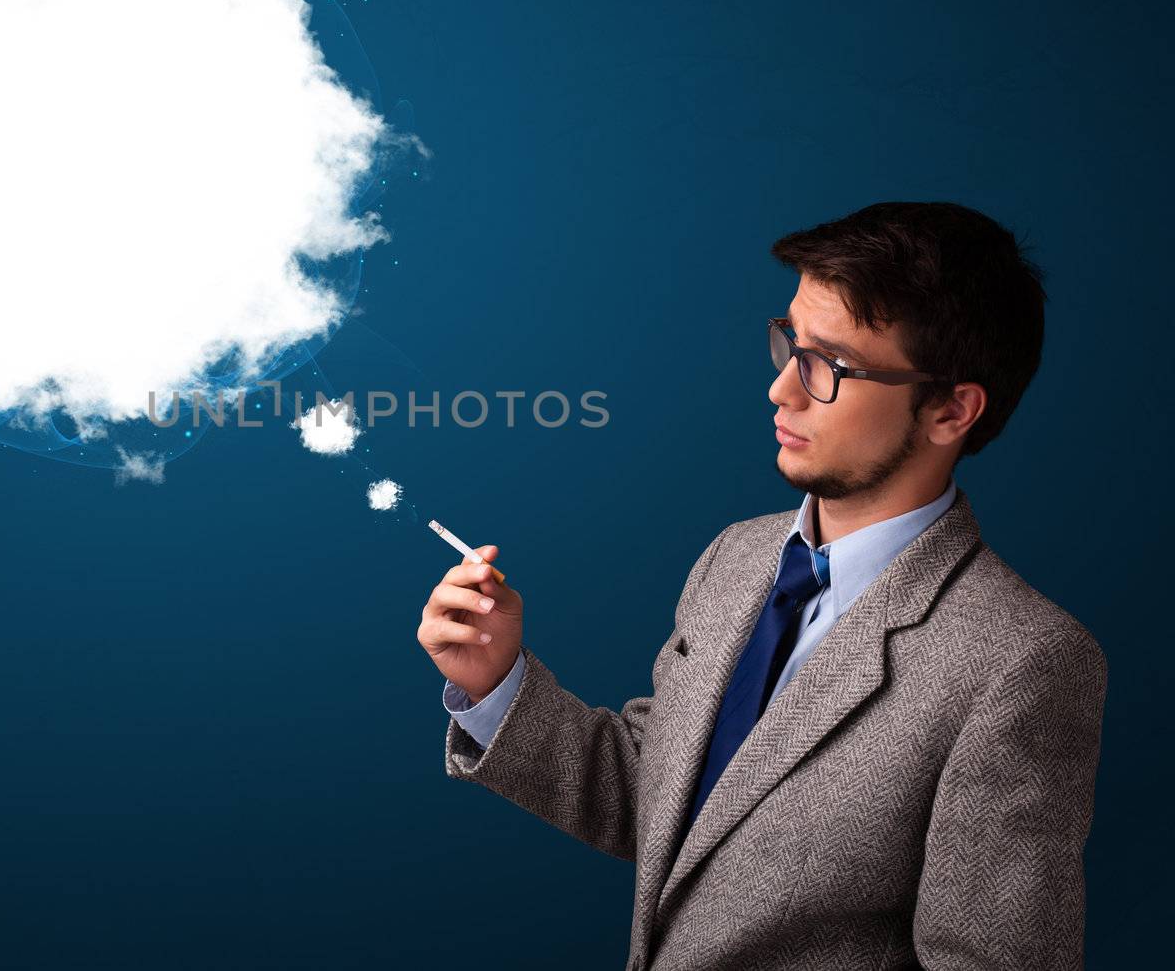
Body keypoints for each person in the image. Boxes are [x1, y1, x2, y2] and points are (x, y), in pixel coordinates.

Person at [417, 202, 1107, 971]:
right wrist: (496, 684)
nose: (782, 390)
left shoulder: (1022, 663)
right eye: (789, 344)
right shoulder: (735, 558)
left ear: (952, 409)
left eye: (830, 367)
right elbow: (671, 807)